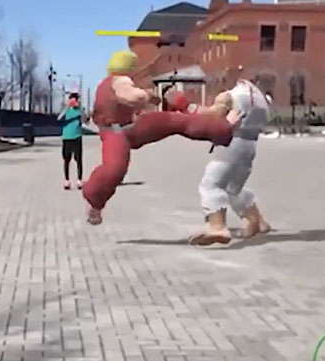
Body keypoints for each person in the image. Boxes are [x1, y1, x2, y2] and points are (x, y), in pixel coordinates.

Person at [82, 50, 242, 225]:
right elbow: (132, 96)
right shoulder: (118, 81)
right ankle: (94, 200)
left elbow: (134, 96)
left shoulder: (115, 83)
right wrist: (147, 96)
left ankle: (221, 128)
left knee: (175, 121)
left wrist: (156, 98)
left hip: (134, 126)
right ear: (128, 68)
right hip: (115, 134)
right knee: (114, 169)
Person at [183, 68, 273, 246]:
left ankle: (217, 227)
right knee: (234, 189)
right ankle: (256, 221)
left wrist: (186, 106)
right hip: (250, 145)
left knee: (211, 185)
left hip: (231, 143)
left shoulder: (231, 95)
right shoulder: (262, 99)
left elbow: (212, 114)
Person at [57, 93, 86, 190]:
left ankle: (79, 180)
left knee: (79, 159)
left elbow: (85, 120)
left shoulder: (80, 110)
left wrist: (80, 109)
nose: (73, 102)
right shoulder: (66, 110)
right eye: (72, 100)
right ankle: (67, 180)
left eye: (75, 100)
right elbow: (59, 118)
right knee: (66, 159)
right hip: (66, 137)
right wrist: (67, 107)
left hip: (77, 137)